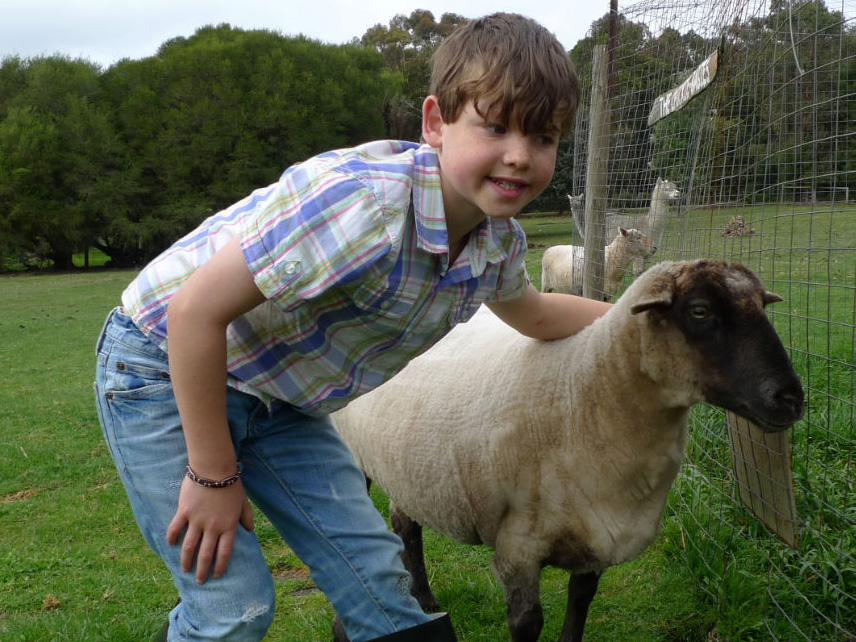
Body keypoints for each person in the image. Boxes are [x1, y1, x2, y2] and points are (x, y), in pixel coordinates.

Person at [94, 12, 611, 642]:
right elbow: (193, 311)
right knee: (234, 606)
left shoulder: (497, 244)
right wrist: (212, 474)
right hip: (161, 368)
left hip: (281, 398)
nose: (519, 156)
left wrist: (648, 318)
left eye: (544, 137)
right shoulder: (364, 205)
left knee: (381, 586)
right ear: (434, 123)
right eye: (495, 126)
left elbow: (535, 313)